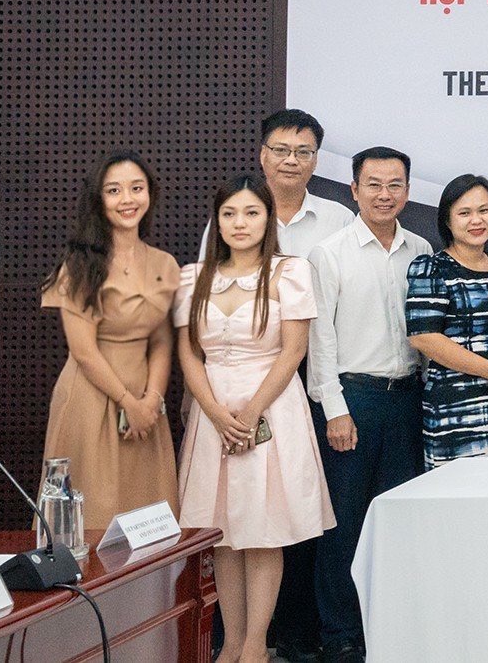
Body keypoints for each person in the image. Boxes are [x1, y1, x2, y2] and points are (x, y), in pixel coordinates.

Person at [174, 173, 334, 663]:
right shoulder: (192, 276)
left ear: (268, 220)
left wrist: (250, 412)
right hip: (212, 413)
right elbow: (188, 354)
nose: (239, 223)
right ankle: (230, 646)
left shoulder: (290, 271)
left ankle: (255, 648)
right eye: (229, 214)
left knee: (264, 531)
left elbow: (294, 351)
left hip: (272, 408)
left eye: (251, 213)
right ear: (217, 221)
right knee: (223, 534)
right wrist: (216, 413)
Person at [306, 145, 428, 663]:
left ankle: (388, 628)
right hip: (353, 400)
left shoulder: (420, 248)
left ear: (408, 191)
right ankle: (340, 635)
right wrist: (334, 409)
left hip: (409, 400)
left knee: (397, 520)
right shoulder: (329, 253)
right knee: (345, 524)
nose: (384, 194)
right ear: (354, 190)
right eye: (373, 184)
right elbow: (320, 341)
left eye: (395, 184)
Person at [39, 152, 181, 530]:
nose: (127, 199)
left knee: (148, 517)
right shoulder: (79, 266)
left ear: (150, 194)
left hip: (147, 407)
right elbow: (83, 352)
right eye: (114, 191)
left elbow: (162, 342)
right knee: (91, 513)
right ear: (98, 199)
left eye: (136, 188)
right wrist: (128, 403)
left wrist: (150, 401)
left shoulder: (165, 264)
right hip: (90, 399)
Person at [405, 173, 488, 469]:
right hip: (457, 410)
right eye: (464, 213)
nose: (476, 220)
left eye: (484, 210)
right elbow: (423, 337)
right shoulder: (431, 268)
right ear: (447, 220)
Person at [200, 109, 354, 261]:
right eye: (281, 150)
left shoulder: (340, 219)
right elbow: (209, 273)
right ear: (263, 154)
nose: (291, 161)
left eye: (303, 152)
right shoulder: (232, 216)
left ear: (315, 160)